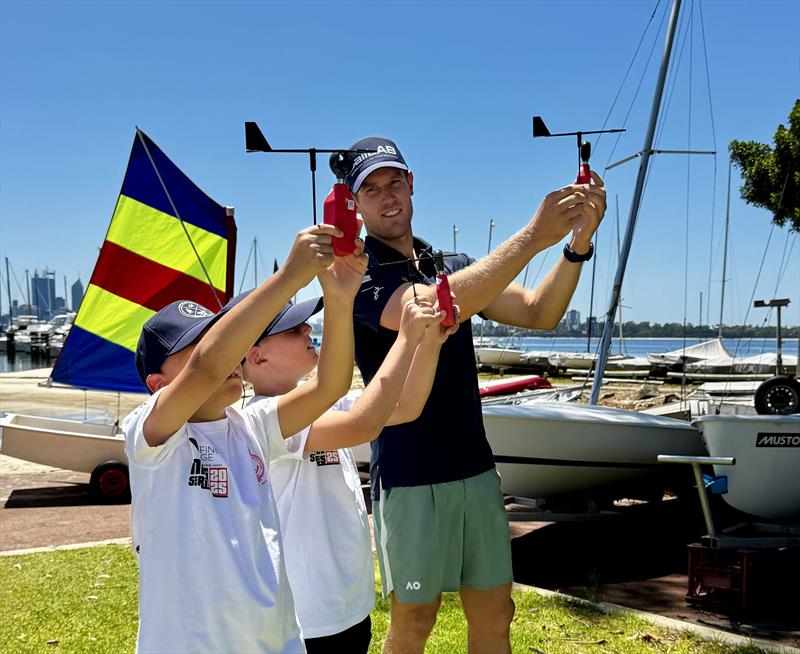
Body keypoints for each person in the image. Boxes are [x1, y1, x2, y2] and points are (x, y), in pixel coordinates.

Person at [344, 136, 607, 654]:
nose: (387, 196)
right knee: (414, 622)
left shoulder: (450, 263)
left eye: (394, 181)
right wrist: (533, 235)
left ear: (411, 183)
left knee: (496, 614)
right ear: (356, 205)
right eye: (371, 189)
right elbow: (430, 310)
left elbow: (538, 311)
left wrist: (576, 244)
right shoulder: (358, 275)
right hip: (410, 475)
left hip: (476, 471)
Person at [122, 224, 362, 654]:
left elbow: (332, 385)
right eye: (195, 346)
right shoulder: (150, 437)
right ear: (159, 385)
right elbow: (208, 367)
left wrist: (340, 302)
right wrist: (290, 277)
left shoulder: (252, 425)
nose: (232, 353)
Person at [239, 284, 456, 653]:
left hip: (347, 605)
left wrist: (430, 344)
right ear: (257, 357)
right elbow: (363, 424)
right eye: (294, 330)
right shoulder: (260, 419)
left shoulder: (326, 404)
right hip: (306, 617)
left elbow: (406, 405)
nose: (308, 330)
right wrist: (405, 337)